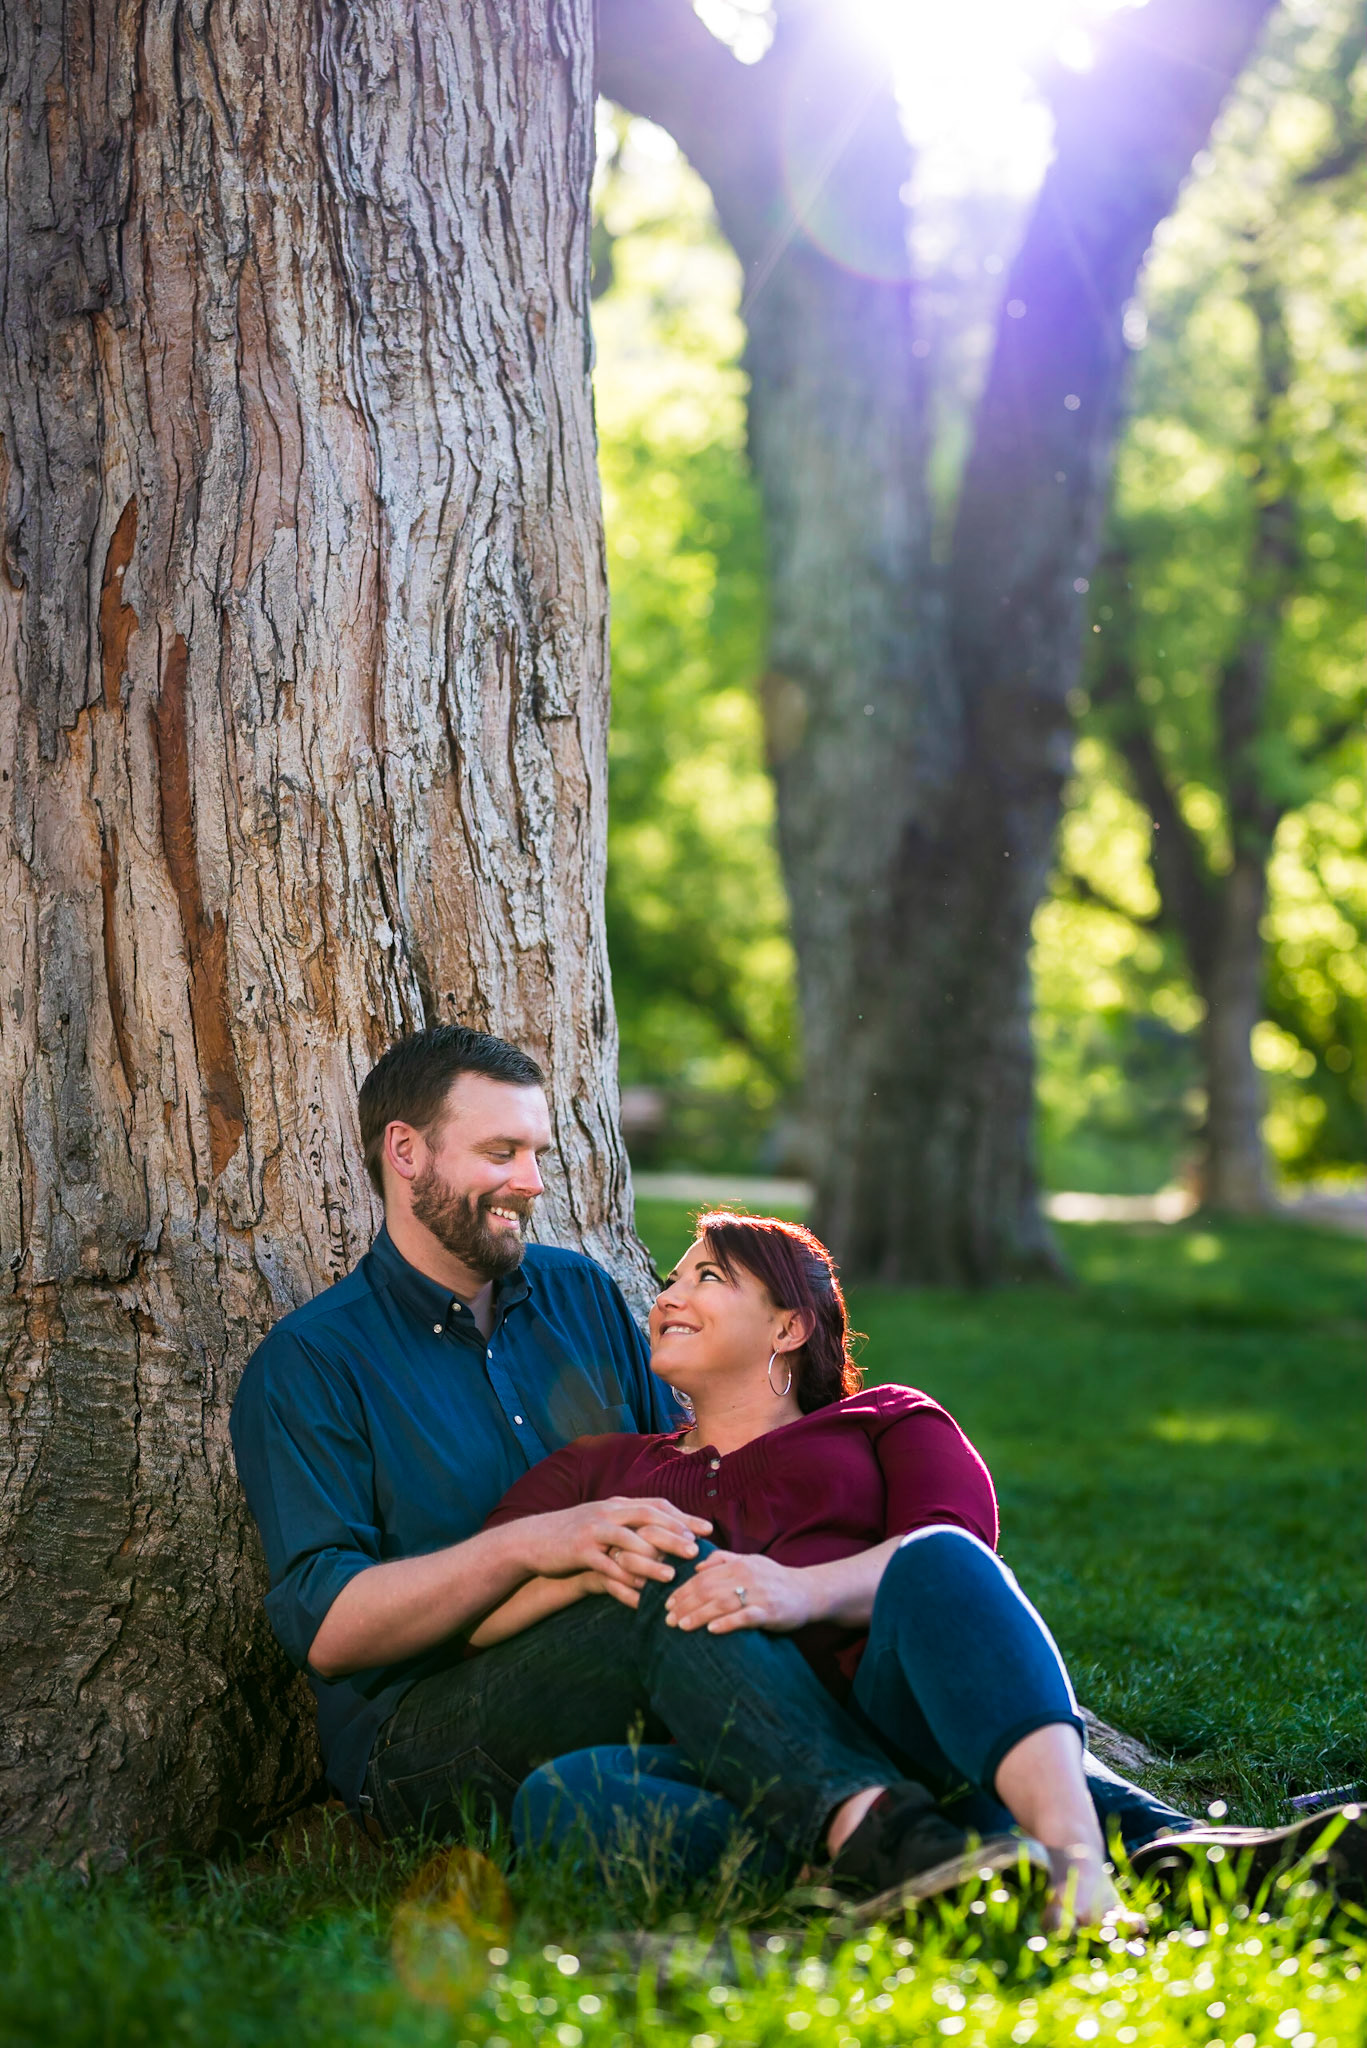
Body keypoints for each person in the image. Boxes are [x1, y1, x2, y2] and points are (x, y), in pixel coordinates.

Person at [231, 1027, 1052, 1919]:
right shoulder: (313, 1362)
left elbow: (688, 1481)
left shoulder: (577, 1295)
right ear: (405, 1151)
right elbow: (333, 1629)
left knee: (654, 1632)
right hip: (427, 1730)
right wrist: (539, 1546)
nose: (532, 1182)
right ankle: (885, 1836)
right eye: (499, 1152)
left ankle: (1083, 1834)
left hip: (637, 1689)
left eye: (536, 1153)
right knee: (660, 1573)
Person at [484, 1212, 1367, 1923]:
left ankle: (1070, 1867)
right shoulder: (601, 1471)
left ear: (788, 1327)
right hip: (740, 1753)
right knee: (568, 1797)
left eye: (707, 1276)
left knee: (934, 1560)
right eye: (671, 1279)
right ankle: (977, 1856)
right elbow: (483, 1611)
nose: (668, 1294)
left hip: (908, 1712)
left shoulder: (883, 1421)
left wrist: (799, 1591)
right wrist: (582, 1562)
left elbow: (953, 1569)